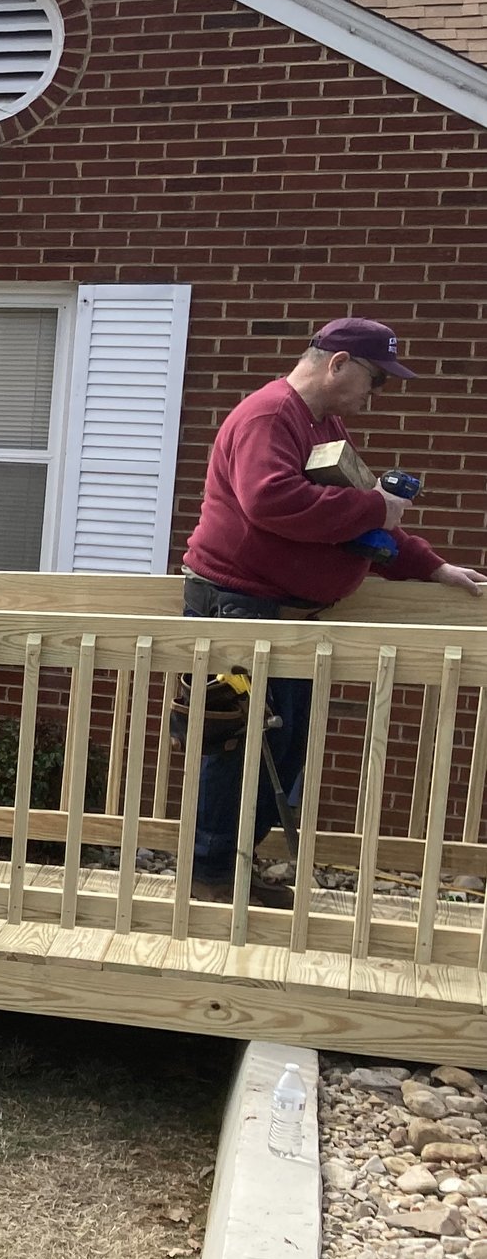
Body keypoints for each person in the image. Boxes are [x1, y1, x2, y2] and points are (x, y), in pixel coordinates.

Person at [182, 318, 487, 906]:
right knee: (239, 744)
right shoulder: (270, 416)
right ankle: (210, 879)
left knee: (282, 748)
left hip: (277, 614)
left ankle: (225, 873)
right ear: (338, 363)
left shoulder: (321, 423)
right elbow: (269, 500)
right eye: (376, 379)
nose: (378, 394)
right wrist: (375, 507)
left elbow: (349, 516)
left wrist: (431, 566)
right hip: (239, 609)